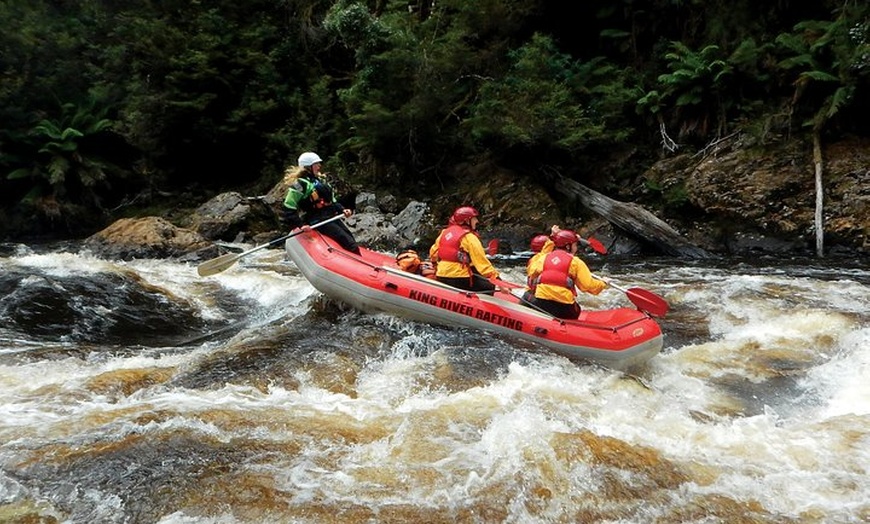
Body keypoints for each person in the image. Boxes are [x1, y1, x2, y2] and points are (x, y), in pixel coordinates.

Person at [282, 152, 361, 255]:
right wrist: (301, 225)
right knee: (350, 245)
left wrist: (342, 209)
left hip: (330, 216)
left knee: (350, 239)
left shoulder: (321, 180)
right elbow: (289, 206)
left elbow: (332, 201)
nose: (319, 166)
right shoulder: (300, 184)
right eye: (316, 164)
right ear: (308, 167)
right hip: (317, 220)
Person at [526, 229, 607, 319]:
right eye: (575, 245)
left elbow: (531, 272)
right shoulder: (576, 262)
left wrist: (551, 241)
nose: (576, 248)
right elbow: (588, 286)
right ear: (568, 246)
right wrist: (603, 283)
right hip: (565, 309)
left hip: (541, 304)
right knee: (577, 309)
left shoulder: (543, 258)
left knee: (528, 295)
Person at [429, 206, 500, 292]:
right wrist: (497, 280)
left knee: (474, 272)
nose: (477, 221)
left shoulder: (444, 233)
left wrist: (435, 267)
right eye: (474, 219)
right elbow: (482, 264)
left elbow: (433, 253)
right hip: (460, 279)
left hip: (441, 275)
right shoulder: (470, 237)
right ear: (466, 220)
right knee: (488, 285)